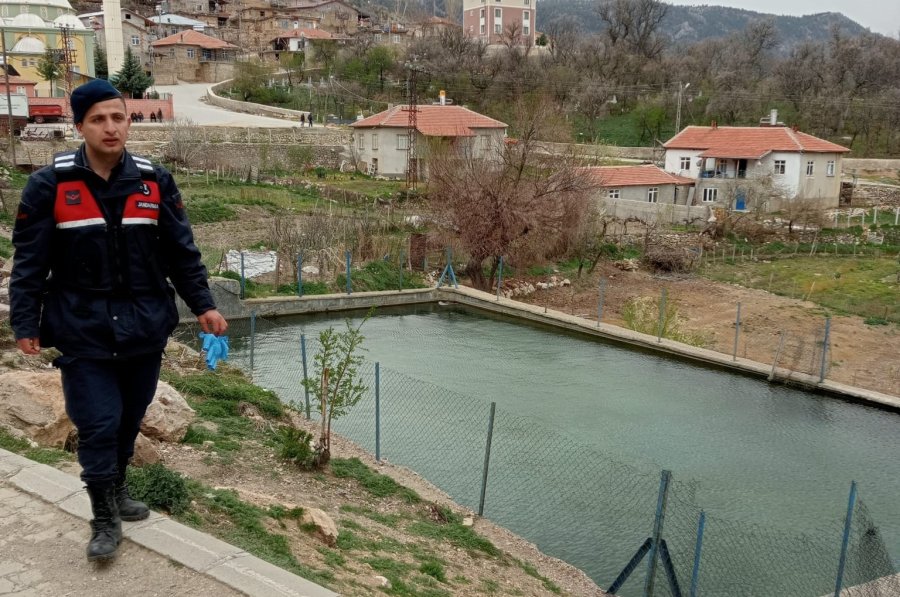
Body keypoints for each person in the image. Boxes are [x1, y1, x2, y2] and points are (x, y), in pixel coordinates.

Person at [9, 79, 227, 562]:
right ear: (80, 126)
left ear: (129, 120)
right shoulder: (50, 185)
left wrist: (204, 304)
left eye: (118, 116)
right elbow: (28, 263)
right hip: (80, 325)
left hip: (144, 324)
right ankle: (103, 517)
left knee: (129, 417)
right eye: (98, 119)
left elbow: (180, 252)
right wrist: (26, 323)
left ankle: (117, 487)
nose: (110, 127)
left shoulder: (154, 181)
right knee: (99, 422)